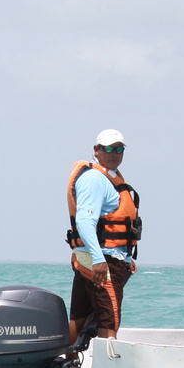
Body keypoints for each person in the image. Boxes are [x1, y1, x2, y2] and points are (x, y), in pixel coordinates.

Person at [65, 129, 140, 344]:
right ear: (96, 150)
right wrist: (98, 259)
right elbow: (85, 222)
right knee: (109, 319)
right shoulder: (94, 179)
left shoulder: (109, 178)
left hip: (99, 257)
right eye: (108, 148)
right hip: (101, 261)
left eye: (119, 149)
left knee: (81, 315)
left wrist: (126, 258)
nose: (114, 153)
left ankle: (65, 360)